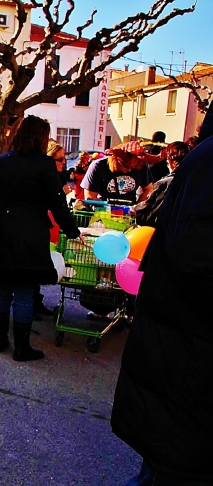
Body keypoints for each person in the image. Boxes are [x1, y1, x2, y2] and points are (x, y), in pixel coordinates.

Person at [111, 107, 213, 486]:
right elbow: (196, 260)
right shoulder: (207, 163)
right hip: (187, 359)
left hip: (182, 355)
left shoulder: (197, 162)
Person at [0, 115, 82, 362]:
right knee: (25, 290)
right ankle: (22, 347)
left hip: (3, 230)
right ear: (40, 137)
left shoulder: (2, 161)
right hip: (30, 233)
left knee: (3, 287)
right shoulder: (44, 165)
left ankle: (0, 339)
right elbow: (57, 204)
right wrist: (73, 231)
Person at [132, 141, 190, 227]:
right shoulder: (197, 180)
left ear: (173, 161)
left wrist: (134, 210)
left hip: (163, 232)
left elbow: (148, 213)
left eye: (167, 161)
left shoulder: (166, 183)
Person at [81, 141, 153, 205]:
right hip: (103, 212)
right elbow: (90, 197)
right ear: (116, 160)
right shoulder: (98, 166)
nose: (129, 170)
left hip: (129, 214)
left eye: (133, 167)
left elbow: (149, 189)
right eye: (126, 166)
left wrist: (137, 208)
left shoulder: (141, 166)